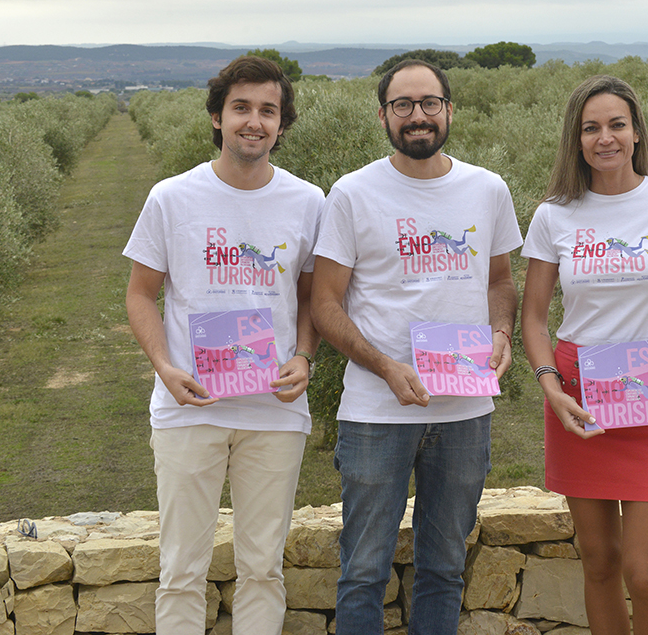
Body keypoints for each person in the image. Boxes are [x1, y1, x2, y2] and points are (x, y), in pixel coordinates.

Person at [311, 59, 523, 635]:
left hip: (465, 411)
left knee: (445, 567)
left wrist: (502, 333)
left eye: (429, 102)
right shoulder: (352, 193)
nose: (417, 115)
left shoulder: (488, 189)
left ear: (449, 110)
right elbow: (324, 303)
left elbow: (500, 282)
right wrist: (385, 367)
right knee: (363, 571)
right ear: (383, 115)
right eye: (402, 104)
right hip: (375, 413)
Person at [124, 55, 323, 634]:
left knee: (263, 569)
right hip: (189, 409)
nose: (254, 121)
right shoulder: (171, 198)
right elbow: (140, 294)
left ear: (281, 124)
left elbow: (314, 297)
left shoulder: (309, 201)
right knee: (180, 570)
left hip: (274, 412)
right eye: (241, 108)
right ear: (217, 117)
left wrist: (304, 356)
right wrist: (164, 366)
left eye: (268, 110)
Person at [520, 75, 648, 635]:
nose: (604, 138)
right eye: (591, 128)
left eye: (616, 125)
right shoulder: (554, 214)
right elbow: (533, 318)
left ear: (636, 133)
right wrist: (550, 387)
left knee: (644, 572)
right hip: (578, 398)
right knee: (600, 562)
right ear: (576, 139)